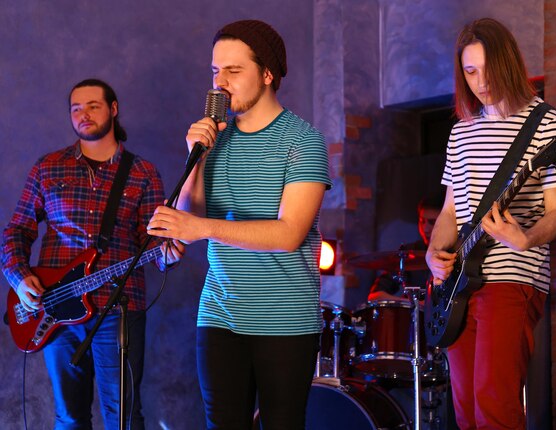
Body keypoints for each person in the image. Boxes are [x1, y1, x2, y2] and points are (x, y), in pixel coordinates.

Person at [146, 20, 331, 429]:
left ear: (267, 74)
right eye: (215, 71)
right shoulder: (214, 137)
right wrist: (195, 156)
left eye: (233, 71)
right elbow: (188, 211)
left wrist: (202, 228)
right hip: (219, 311)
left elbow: (288, 234)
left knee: (282, 422)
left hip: (283, 318)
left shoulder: (303, 141)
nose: (220, 83)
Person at [1, 78, 184, 429]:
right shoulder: (48, 167)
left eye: (93, 106)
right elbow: (17, 230)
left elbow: (155, 245)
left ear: (113, 110)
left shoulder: (143, 173)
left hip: (117, 308)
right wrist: (20, 278)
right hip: (55, 309)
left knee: (124, 418)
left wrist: (168, 255)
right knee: (69, 417)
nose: (83, 114)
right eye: (76, 108)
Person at [425, 18, 556, 429]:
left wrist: (524, 237)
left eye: (487, 70)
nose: (479, 81)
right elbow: (451, 212)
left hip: (513, 276)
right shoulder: (460, 133)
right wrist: (434, 253)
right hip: (457, 286)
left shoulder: (549, 125)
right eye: (469, 72)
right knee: (466, 411)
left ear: (508, 63)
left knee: (495, 403)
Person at [368, 193, 444, 302]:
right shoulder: (409, 253)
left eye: (432, 222)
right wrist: (414, 304)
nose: (425, 228)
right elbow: (375, 296)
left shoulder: (457, 252)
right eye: (422, 221)